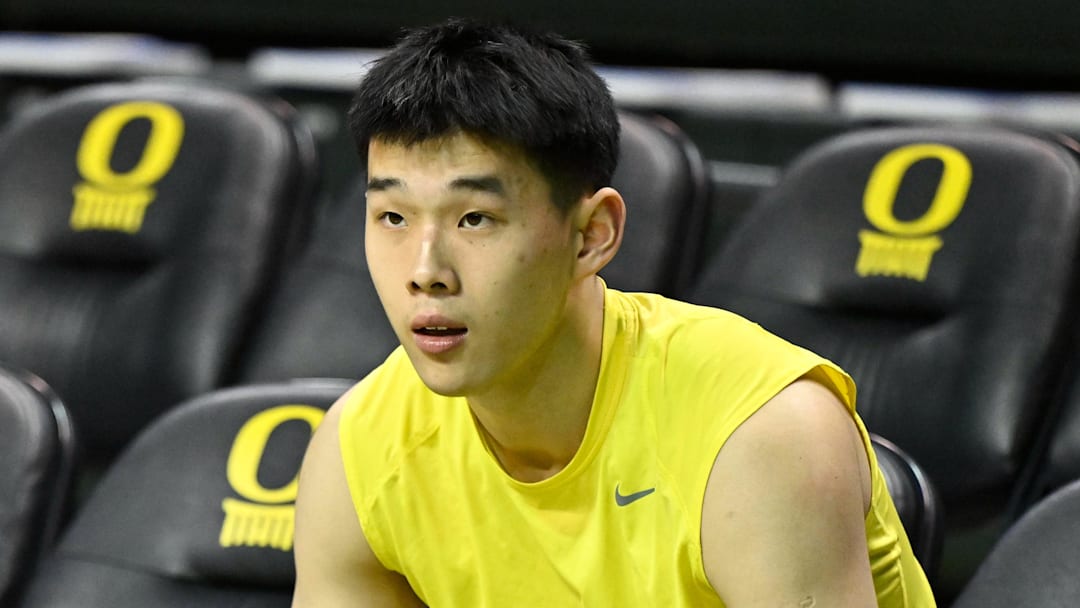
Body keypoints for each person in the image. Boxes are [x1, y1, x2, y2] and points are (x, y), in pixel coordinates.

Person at [291, 17, 936, 607]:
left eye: (475, 218)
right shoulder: (362, 451)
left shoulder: (760, 435)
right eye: (393, 217)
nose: (424, 270)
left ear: (591, 234)